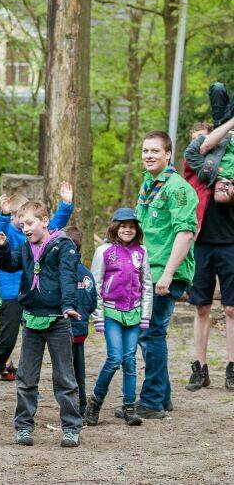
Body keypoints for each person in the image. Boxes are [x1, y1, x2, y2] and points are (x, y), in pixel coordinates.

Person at [0, 201, 83, 448]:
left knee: (65, 378)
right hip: (31, 318)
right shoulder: (24, 247)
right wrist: (2, 247)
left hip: (58, 320)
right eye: (22, 224)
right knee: (26, 378)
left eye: (30, 223)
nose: (25, 228)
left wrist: (68, 305)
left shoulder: (63, 245)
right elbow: (8, 264)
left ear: (44, 221)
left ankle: (71, 428)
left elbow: (68, 276)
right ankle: (23, 426)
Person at [0, 184, 75, 399]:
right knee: (7, 338)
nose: (20, 222)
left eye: (22, 217)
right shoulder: (12, 232)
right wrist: (4, 214)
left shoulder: (38, 233)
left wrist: (66, 204)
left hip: (35, 296)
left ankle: (31, 385)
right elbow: (0, 233)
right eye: (15, 217)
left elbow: (56, 222)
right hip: (11, 293)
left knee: (33, 344)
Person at [132, 130, 198, 418]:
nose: (148, 155)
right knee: (148, 334)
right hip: (147, 270)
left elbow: (185, 233)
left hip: (164, 273)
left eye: (155, 151)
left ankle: (151, 402)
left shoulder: (178, 188)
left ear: (168, 154)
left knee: (152, 334)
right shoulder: (148, 184)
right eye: (145, 150)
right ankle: (163, 396)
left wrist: (168, 275)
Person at [84, 208, 152, 427]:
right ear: (115, 227)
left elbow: (147, 284)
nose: (128, 230)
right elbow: (95, 284)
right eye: (123, 226)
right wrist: (98, 316)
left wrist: (145, 315)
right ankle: (95, 402)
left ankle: (129, 407)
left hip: (134, 313)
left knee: (130, 360)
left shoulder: (141, 251)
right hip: (111, 312)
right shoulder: (103, 251)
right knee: (115, 359)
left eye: (132, 226)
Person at [185, 115, 234, 392]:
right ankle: (200, 369)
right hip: (201, 243)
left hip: (230, 243)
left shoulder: (230, 163)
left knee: (231, 308)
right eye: (198, 139)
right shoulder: (194, 167)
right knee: (202, 307)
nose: (203, 144)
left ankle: (232, 367)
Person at [61, 226, 98, 416]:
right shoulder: (87, 274)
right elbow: (93, 301)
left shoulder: (61, 273)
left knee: (65, 373)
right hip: (81, 330)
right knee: (78, 371)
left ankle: (72, 410)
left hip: (64, 329)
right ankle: (81, 407)